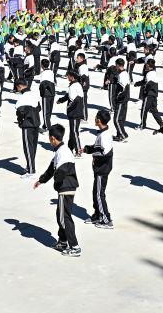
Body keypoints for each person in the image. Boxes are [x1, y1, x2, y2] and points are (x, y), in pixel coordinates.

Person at [33, 124, 81, 257]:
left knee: (64, 217)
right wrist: (41, 180)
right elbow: (51, 169)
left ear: (53, 138)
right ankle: (63, 241)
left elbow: (61, 171)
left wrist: (56, 184)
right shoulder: (60, 152)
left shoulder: (63, 152)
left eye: (50, 139)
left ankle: (75, 246)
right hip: (66, 188)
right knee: (60, 215)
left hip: (66, 188)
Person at [83, 109, 114, 229]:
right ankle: (97, 215)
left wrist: (93, 155)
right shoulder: (102, 133)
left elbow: (105, 153)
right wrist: (87, 149)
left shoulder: (105, 136)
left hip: (102, 170)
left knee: (99, 194)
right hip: (99, 169)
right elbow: (97, 148)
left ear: (99, 120)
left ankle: (106, 220)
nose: (95, 118)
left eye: (96, 117)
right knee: (95, 193)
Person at [14, 78, 41, 178]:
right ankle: (30, 166)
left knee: (28, 147)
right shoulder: (34, 94)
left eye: (17, 88)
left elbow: (19, 111)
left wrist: (20, 122)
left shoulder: (22, 97)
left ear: (20, 86)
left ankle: (31, 171)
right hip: (36, 123)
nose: (17, 90)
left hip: (27, 125)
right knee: (33, 147)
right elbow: (39, 108)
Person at [57, 69, 85, 156]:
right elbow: (68, 96)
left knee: (74, 132)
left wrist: (68, 108)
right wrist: (61, 100)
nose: (67, 77)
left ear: (72, 77)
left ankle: (78, 150)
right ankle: (70, 148)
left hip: (74, 113)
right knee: (72, 131)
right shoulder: (76, 85)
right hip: (76, 112)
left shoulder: (74, 86)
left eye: (68, 76)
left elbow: (74, 100)